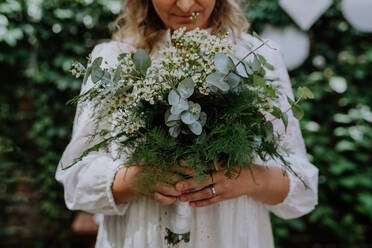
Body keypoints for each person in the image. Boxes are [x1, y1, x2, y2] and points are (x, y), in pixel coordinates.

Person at [55, 0, 319, 247]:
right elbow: (76, 180)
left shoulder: (256, 59)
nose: (184, 4)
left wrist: (247, 179)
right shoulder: (115, 60)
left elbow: (302, 186)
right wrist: (136, 179)